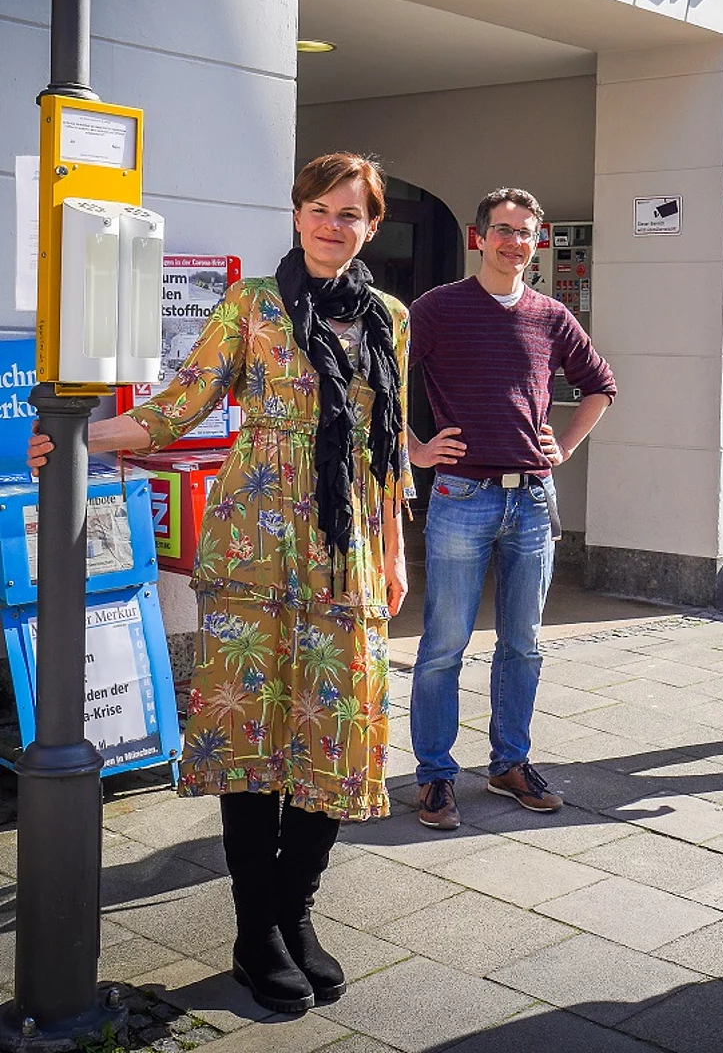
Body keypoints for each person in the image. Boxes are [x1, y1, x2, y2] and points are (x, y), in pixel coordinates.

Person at [29, 153, 411, 1013]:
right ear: (297, 213)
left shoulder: (391, 317)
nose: (332, 226)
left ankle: (296, 912)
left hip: (344, 544)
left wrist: (392, 549)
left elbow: (388, 439)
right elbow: (182, 404)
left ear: (371, 226)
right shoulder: (252, 304)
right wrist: (81, 436)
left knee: (334, 728)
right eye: (319, 209)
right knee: (252, 734)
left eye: (349, 214)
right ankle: (256, 932)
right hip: (253, 547)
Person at [407, 187, 615, 826]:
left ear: (537, 240)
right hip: (460, 497)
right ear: (479, 237)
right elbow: (377, 383)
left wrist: (564, 446)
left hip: (531, 500)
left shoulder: (551, 315)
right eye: (502, 229)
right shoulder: (437, 308)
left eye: (525, 232)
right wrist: (416, 450)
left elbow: (600, 385)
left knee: (522, 644)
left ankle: (509, 763)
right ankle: (435, 776)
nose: (514, 242)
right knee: (444, 644)